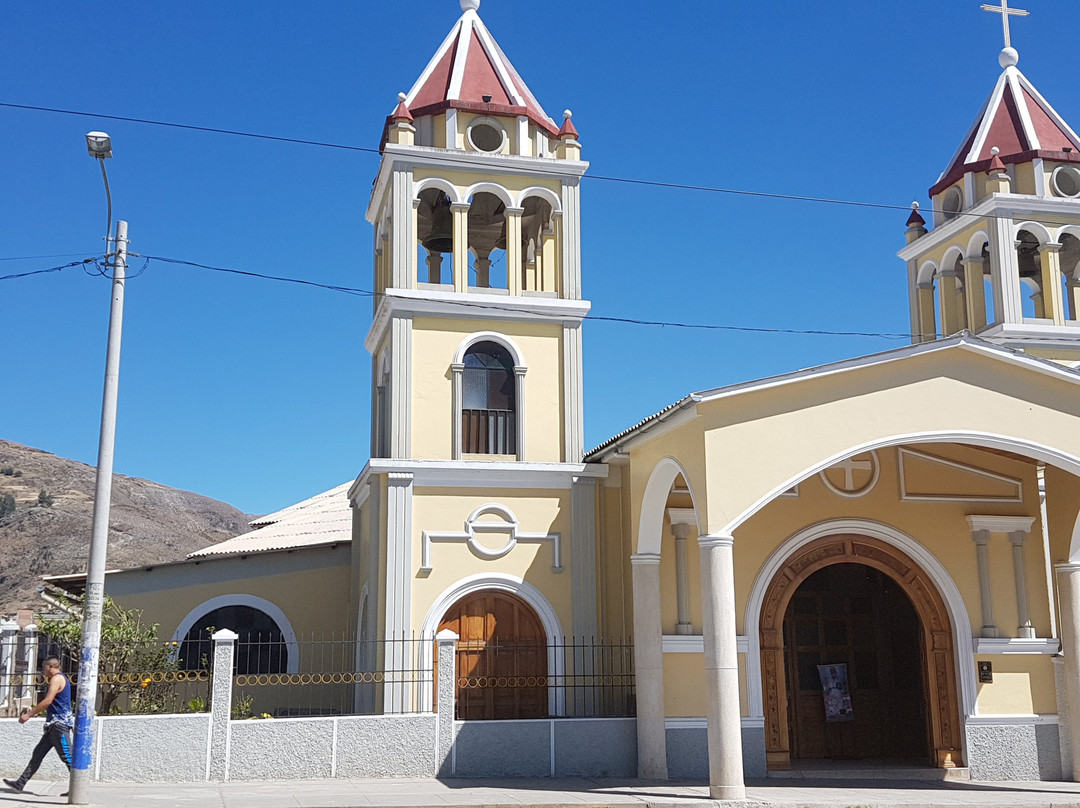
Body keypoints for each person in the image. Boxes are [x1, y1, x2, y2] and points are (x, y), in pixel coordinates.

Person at [4, 656, 73, 793]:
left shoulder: (57, 678)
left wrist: (29, 714)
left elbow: (48, 701)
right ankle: (20, 783)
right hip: (53, 726)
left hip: (59, 725)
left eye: (43, 668)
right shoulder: (60, 678)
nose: (42, 671)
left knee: (68, 757)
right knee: (38, 754)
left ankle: (79, 787)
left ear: (50, 667)